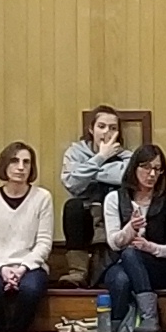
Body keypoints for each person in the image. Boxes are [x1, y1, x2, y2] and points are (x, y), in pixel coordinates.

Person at [97, 143, 166, 332]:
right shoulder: (114, 198)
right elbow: (114, 243)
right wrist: (130, 228)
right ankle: (119, 327)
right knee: (120, 278)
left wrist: (150, 247)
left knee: (131, 253)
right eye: (146, 167)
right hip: (120, 261)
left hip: (158, 265)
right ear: (134, 168)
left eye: (157, 169)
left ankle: (148, 316)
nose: (152, 174)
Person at [0, 141, 57, 332]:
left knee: (31, 289)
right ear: (4, 165)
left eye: (26, 162)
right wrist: (2, 268)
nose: (21, 167)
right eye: (15, 161)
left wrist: (22, 269)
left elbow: (43, 243)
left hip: (31, 266)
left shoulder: (42, 197)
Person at [56, 106, 132, 252]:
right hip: (85, 211)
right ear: (91, 129)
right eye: (101, 126)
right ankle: (78, 268)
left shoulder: (126, 156)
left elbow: (125, 177)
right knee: (72, 207)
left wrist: (87, 171)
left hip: (114, 212)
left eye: (112, 128)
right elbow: (72, 183)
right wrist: (101, 157)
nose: (106, 132)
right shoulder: (75, 153)